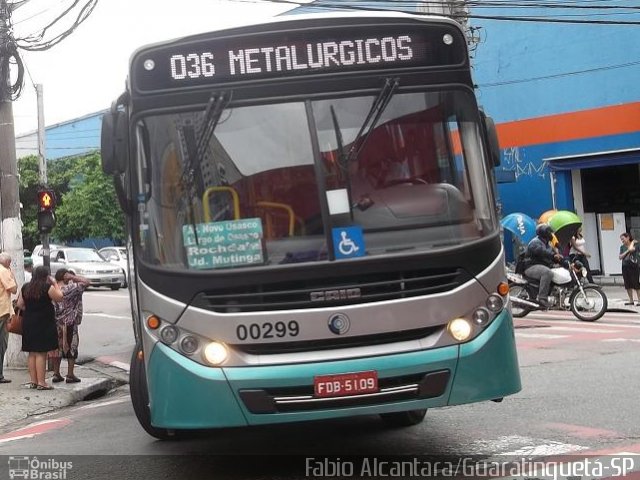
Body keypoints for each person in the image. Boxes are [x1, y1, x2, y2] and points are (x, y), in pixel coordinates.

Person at [16, 266, 63, 390]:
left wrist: (31, 310)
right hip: (44, 322)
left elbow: (20, 304)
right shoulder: (47, 287)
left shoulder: (26, 287)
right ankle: (42, 382)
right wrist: (55, 284)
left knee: (32, 352)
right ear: (45, 276)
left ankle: (33, 381)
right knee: (41, 353)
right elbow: (60, 297)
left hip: (29, 322)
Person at [50, 269, 91, 383]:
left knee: (56, 348)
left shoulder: (52, 289)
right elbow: (87, 282)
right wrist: (73, 277)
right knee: (72, 348)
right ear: (65, 277)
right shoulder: (72, 288)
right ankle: (70, 374)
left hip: (56, 322)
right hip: (70, 323)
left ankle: (56, 373)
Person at [523, 224, 563, 308]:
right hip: (530, 266)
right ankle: (542, 298)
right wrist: (553, 255)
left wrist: (563, 260)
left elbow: (553, 256)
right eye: (550, 233)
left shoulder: (547, 244)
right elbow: (541, 252)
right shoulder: (535, 242)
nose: (552, 235)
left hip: (540, 265)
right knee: (547, 273)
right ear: (545, 233)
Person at [0, 252, 18, 384]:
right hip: (2, 311)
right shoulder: (4, 271)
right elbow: (13, 289)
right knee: (2, 344)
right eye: (9, 262)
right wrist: (12, 274)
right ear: (6, 262)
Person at [619, 232, 640, 306]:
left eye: (623, 239)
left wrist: (633, 242)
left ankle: (639, 300)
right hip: (625, 266)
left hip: (633, 266)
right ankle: (631, 300)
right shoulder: (622, 247)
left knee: (636, 284)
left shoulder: (636, 244)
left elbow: (631, 249)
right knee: (627, 284)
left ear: (628, 237)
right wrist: (627, 251)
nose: (622, 241)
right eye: (621, 239)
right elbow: (620, 257)